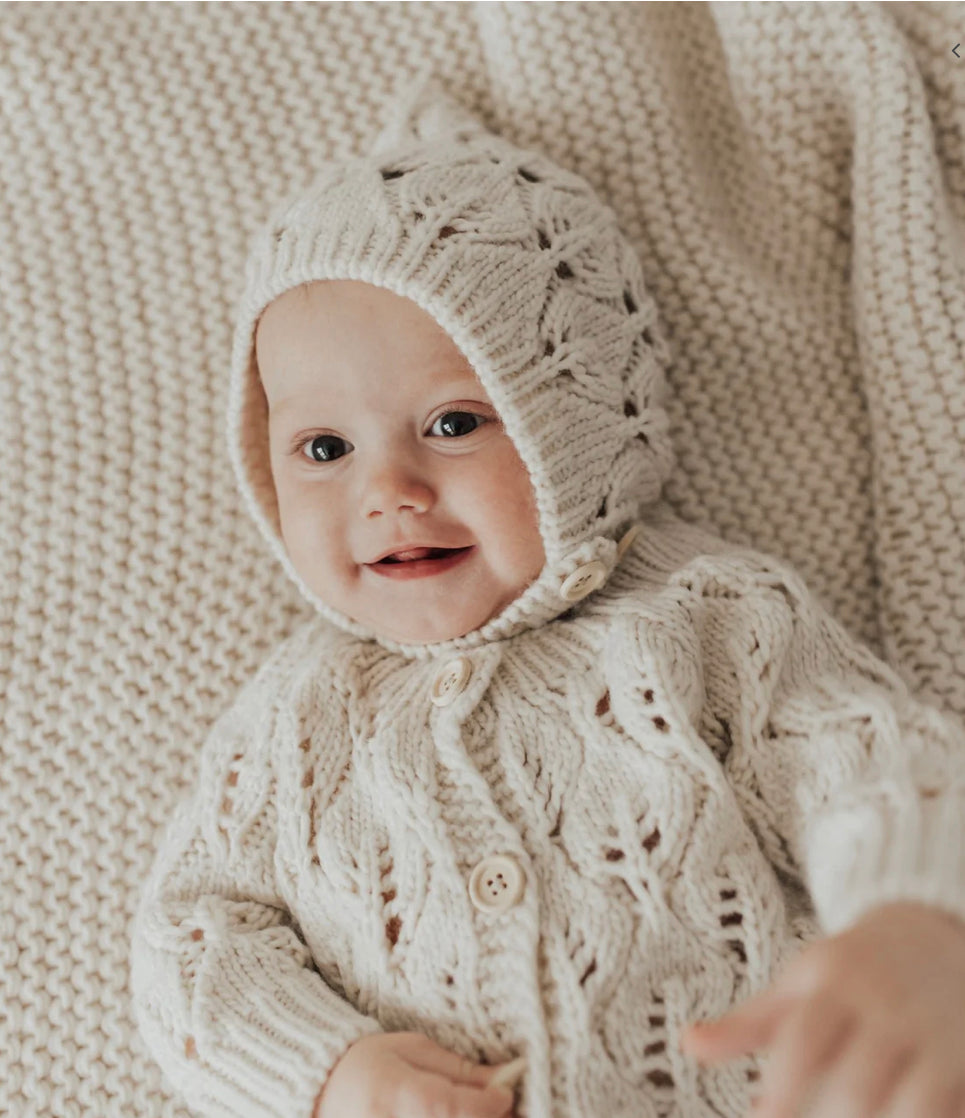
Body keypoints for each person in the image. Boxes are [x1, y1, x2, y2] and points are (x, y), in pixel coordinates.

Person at [130, 77, 965, 1118]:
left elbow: (868, 758)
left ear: (571, 425)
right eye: (324, 447)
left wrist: (912, 919)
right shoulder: (298, 713)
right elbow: (193, 937)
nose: (387, 490)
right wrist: (328, 1072)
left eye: (449, 423)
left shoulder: (705, 617)